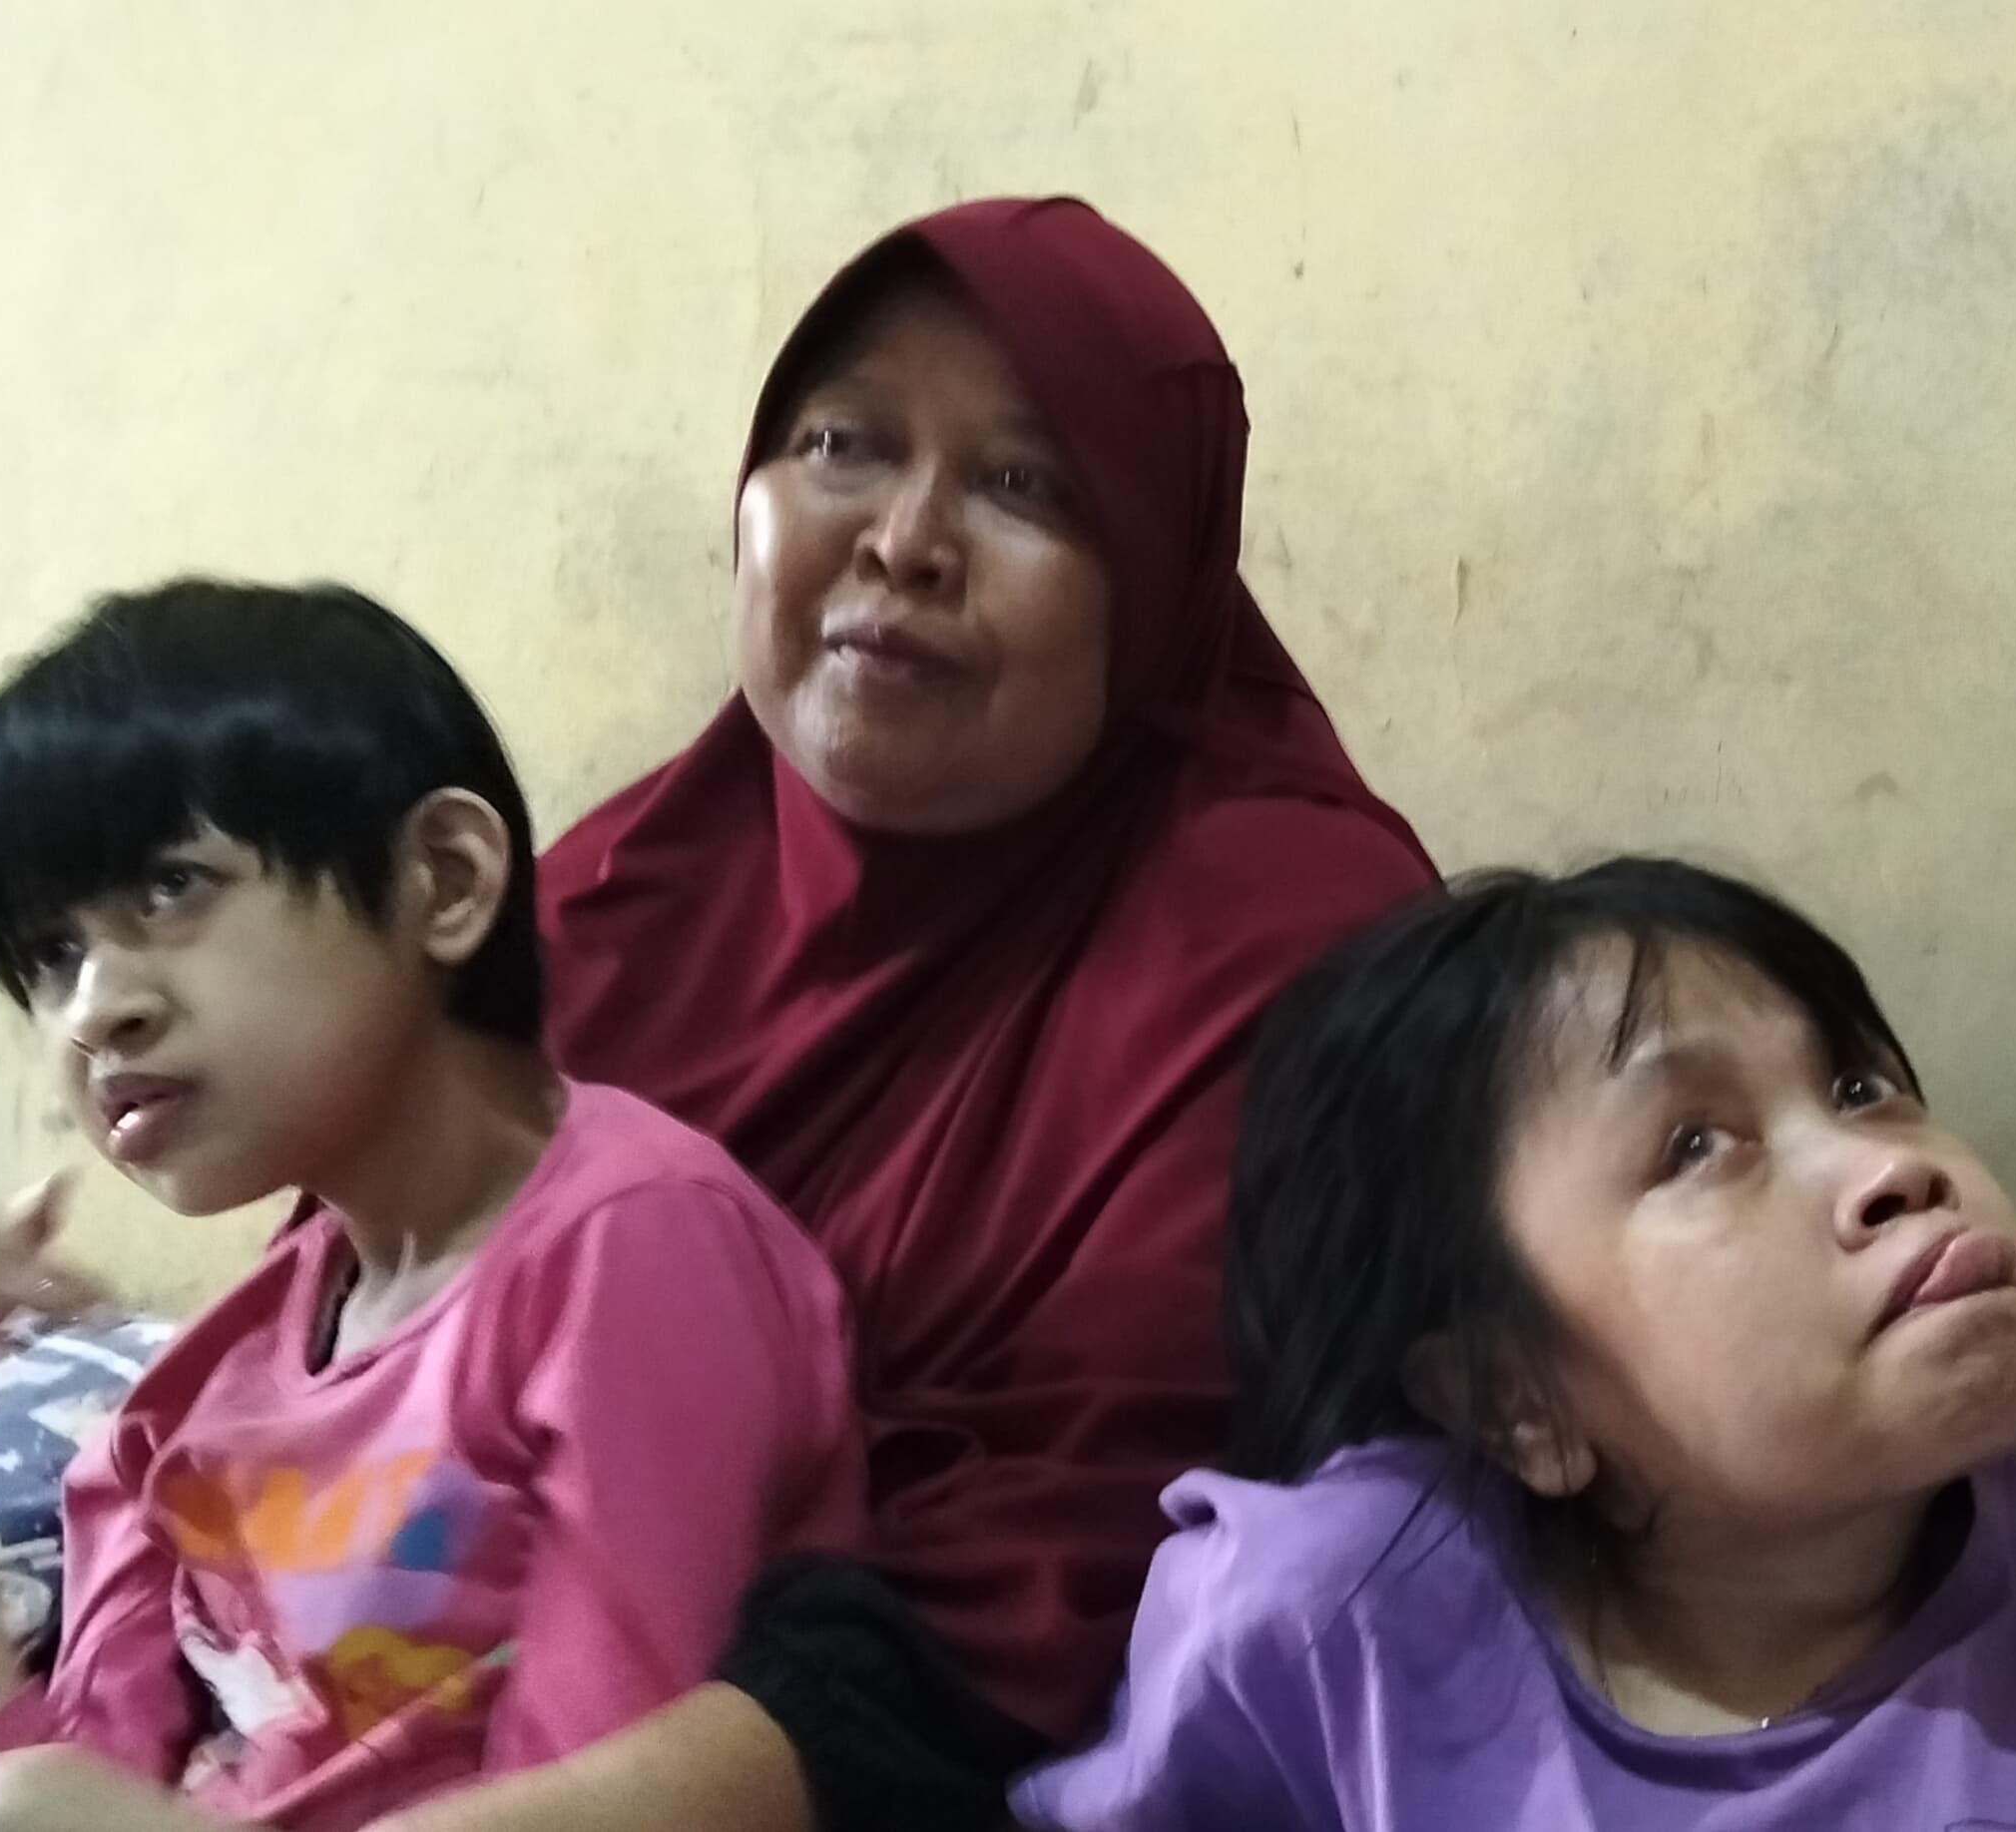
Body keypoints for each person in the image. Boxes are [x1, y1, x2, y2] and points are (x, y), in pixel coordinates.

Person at [378, 200, 1437, 1832]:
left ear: (1156, 574)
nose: (905, 540)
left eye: (1026, 485)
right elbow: (351, 1375)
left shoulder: (1285, 934)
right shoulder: (605, 904)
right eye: (842, 445)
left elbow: (1091, 1558)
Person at [1016, 859, 2016, 1830]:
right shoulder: (1331, 1626)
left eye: (1862, 1085)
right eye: (1694, 1145)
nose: (1890, 1170)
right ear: (1514, 1399)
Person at [0, 581, 864, 1830]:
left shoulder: (633, 1245)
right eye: (53, 956)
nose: (97, 1011)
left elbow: (629, 1788)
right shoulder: (198, 1397)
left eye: (172, 888)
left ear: (445, 879)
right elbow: (32, 1791)